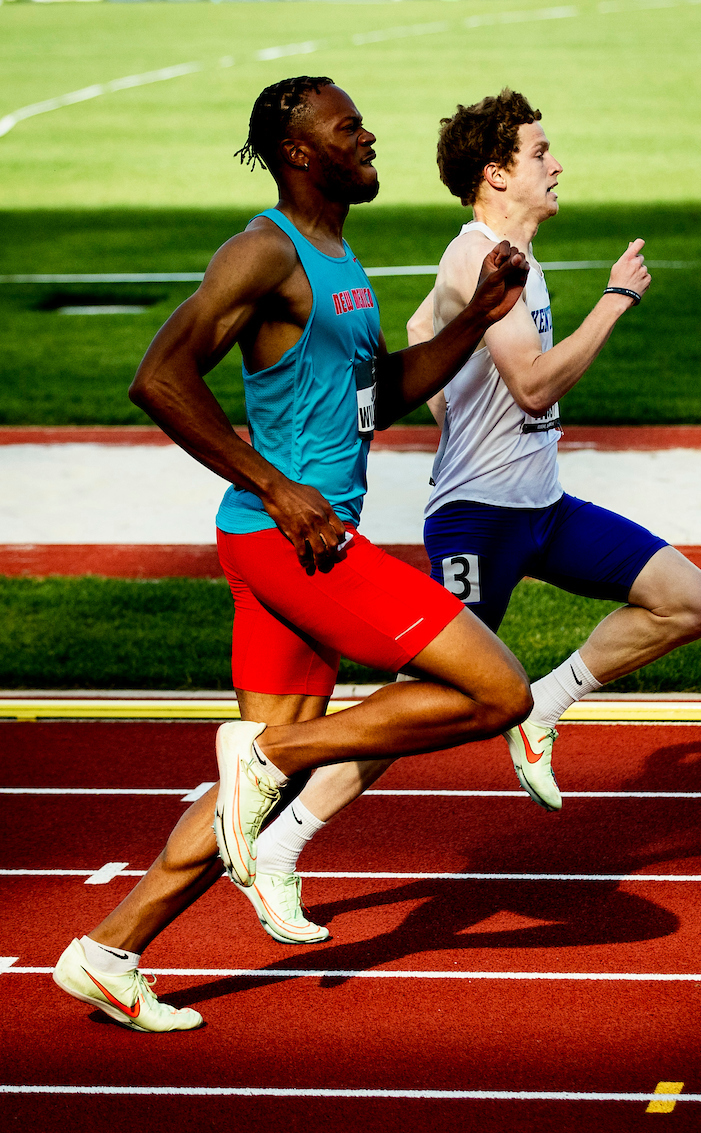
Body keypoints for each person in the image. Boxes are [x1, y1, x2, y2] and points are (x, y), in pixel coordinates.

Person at [52, 76, 533, 1032]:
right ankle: (269, 753)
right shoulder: (262, 252)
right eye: (349, 127)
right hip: (289, 540)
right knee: (500, 691)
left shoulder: (337, 257)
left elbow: (376, 393)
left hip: (302, 539)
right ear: (302, 152)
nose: (369, 137)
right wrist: (277, 486)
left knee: (253, 798)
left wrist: (475, 321)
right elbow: (157, 377)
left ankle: (107, 950)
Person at [232, 87, 701, 901]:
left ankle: (543, 706)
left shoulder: (503, 261)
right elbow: (533, 388)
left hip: (545, 507)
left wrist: (448, 402)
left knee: (693, 601)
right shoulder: (475, 252)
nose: (556, 164)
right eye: (539, 154)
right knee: (426, 701)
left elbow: (424, 329)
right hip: (480, 521)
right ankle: (282, 843)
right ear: (497, 174)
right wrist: (617, 300)